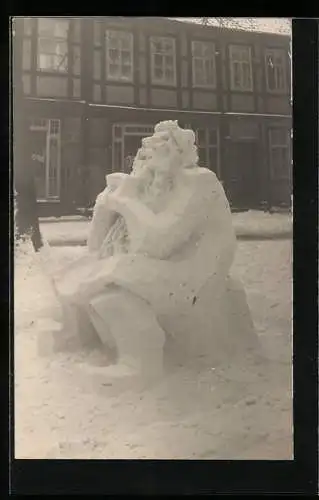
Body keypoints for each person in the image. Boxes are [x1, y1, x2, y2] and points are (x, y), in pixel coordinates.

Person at [54, 121, 242, 382]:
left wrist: (125, 201)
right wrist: (106, 203)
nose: (148, 152)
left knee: (115, 277)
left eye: (160, 146)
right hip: (167, 264)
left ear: (178, 150)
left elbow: (157, 242)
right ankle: (73, 332)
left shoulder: (199, 181)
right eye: (147, 148)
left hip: (197, 272)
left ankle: (139, 363)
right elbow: (96, 247)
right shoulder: (154, 185)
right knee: (84, 269)